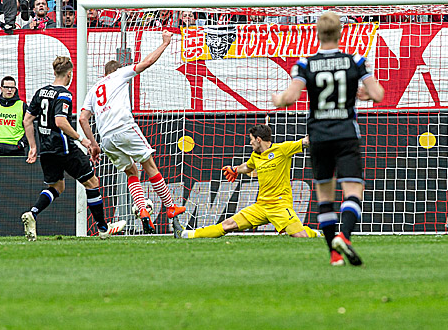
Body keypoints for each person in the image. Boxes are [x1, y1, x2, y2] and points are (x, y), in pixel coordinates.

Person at [271, 12, 384, 266]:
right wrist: (366, 96)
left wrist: (277, 100)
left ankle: (334, 255)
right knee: (353, 191)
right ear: (341, 32)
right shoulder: (355, 60)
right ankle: (344, 236)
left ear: (318, 33)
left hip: (319, 135)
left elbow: (289, 98)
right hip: (346, 132)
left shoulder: (304, 64)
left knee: (324, 195)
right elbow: (378, 93)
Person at [79, 32, 187, 236]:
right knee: (149, 165)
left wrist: (94, 145)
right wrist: (164, 43)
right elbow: (146, 62)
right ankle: (171, 206)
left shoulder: (93, 89)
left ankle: (143, 210)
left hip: (106, 138)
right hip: (124, 127)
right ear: (117, 70)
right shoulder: (120, 75)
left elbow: (83, 119)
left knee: (131, 172)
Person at [21, 56, 124, 241]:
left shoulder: (40, 92)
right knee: (92, 183)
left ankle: (33, 213)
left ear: (54, 72)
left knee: (57, 186)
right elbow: (60, 122)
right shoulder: (64, 94)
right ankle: (103, 228)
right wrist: (82, 140)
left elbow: (27, 120)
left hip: (46, 149)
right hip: (63, 148)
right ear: (69, 74)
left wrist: (33, 146)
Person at [183, 124, 318, 239]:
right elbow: (248, 166)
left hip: (280, 206)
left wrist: (320, 131)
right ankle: (189, 234)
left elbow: (304, 142)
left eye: (251, 140)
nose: (250, 143)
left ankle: (315, 233)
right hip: (261, 206)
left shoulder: (282, 149)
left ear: (258, 139)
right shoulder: (255, 156)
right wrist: (235, 169)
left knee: (301, 237)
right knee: (229, 224)